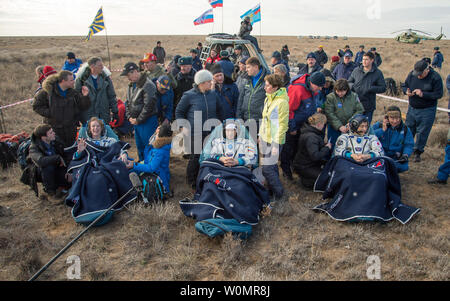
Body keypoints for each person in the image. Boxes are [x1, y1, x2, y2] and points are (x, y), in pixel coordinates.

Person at [175, 69, 224, 189]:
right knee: (195, 157)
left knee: (210, 156)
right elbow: (179, 111)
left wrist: (220, 124)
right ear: (201, 83)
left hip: (211, 132)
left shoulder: (213, 94)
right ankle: (191, 182)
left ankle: (206, 179)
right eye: (209, 81)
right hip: (194, 132)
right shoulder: (189, 95)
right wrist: (182, 126)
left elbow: (220, 110)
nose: (212, 83)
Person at [280, 71, 325, 180]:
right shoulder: (298, 90)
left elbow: (312, 103)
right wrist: (292, 127)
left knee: (297, 147)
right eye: (319, 87)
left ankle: (294, 167)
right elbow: (289, 110)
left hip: (303, 123)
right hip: (293, 125)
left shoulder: (312, 89)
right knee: (288, 148)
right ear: (312, 83)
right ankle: (286, 171)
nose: (320, 89)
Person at [33, 70, 91, 147]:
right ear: (63, 81)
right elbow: (36, 106)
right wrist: (51, 113)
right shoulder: (47, 92)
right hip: (54, 129)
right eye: (71, 80)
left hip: (70, 130)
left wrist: (85, 96)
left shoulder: (73, 93)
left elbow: (83, 106)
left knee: (69, 151)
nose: (74, 82)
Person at [402, 59, 443, 162]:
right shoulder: (412, 74)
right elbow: (404, 85)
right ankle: (406, 149)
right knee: (409, 129)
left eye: (420, 74)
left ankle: (417, 152)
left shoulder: (435, 78)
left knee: (422, 132)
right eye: (417, 74)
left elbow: (439, 94)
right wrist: (406, 91)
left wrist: (423, 94)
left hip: (427, 110)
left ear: (427, 70)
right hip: (412, 108)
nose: (418, 76)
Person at [259, 74, 289, 200]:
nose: (264, 88)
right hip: (265, 138)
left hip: (275, 141)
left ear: (275, 87)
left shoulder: (281, 102)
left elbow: (282, 125)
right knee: (271, 167)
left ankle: (280, 195)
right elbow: (265, 120)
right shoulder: (268, 98)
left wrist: (276, 144)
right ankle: (272, 190)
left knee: (266, 169)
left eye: (267, 85)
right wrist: (260, 135)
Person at [121, 62, 158, 162]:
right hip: (136, 122)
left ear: (135, 71)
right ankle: (142, 166)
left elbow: (149, 106)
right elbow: (127, 102)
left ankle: (151, 170)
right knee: (140, 146)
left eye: (128, 75)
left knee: (149, 146)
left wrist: (138, 120)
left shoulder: (148, 85)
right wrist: (129, 117)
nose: (128, 78)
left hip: (148, 121)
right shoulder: (131, 85)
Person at [126, 123, 173, 193]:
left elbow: (151, 168)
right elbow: (148, 160)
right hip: (155, 169)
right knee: (131, 170)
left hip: (157, 175)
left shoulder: (159, 150)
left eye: (158, 131)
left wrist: (134, 165)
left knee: (132, 172)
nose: (156, 130)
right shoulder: (157, 144)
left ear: (161, 136)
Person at [28, 124, 69, 198]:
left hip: (58, 167)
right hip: (42, 172)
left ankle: (60, 187)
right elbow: (40, 161)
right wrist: (57, 158)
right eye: (51, 133)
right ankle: (50, 192)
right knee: (47, 167)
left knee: (69, 179)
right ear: (43, 137)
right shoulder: (34, 147)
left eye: (52, 131)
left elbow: (65, 152)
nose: (54, 133)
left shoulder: (55, 140)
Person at [292, 113, 332, 189]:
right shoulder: (311, 137)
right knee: (326, 178)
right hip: (305, 166)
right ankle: (306, 181)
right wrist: (327, 148)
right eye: (323, 124)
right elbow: (315, 156)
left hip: (307, 163)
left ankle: (307, 179)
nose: (324, 126)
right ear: (319, 124)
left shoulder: (310, 132)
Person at [75, 57, 118, 125]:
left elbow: (111, 95)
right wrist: (76, 116)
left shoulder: (105, 79)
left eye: (102, 65)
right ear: (92, 66)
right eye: (100, 65)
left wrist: (115, 111)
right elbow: (76, 99)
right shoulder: (81, 80)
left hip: (103, 115)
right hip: (87, 116)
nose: (102, 67)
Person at [348, 51, 386, 124]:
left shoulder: (377, 73)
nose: (364, 61)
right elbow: (349, 82)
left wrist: (371, 88)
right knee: (355, 126)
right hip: (356, 104)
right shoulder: (356, 70)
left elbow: (383, 88)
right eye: (363, 59)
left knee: (366, 127)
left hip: (368, 106)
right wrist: (353, 86)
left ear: (372, 60)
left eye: (366, 59)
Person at [372, 106, 414, 173]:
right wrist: (382, 130)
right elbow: (369, 137)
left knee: (403, 167)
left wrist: (405, 155)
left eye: (397, 118)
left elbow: (409, 144)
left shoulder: (405, 129)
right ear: (387, 118)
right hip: (381, 155)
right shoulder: (378, 126)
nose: (395, 121)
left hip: (395, 157)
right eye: (392, 118)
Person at [324, 78, 364, 146]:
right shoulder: (330, 97)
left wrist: (351, 122)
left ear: (347, 90)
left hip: (350, 127)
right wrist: (339, 126)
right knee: (333, 145)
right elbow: (329, 113)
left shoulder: (354, 96)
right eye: (338, 91)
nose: (340, 93)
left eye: (342, 91)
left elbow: (360, 110)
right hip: (334, 127)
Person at [236, 57, 269, 130]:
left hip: (259, 121)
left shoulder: (267, 80)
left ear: (256, 67)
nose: (246, 69)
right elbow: (240, 99)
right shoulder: (245, 79)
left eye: (248, 67)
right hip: (245, 119)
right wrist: (238, 117)